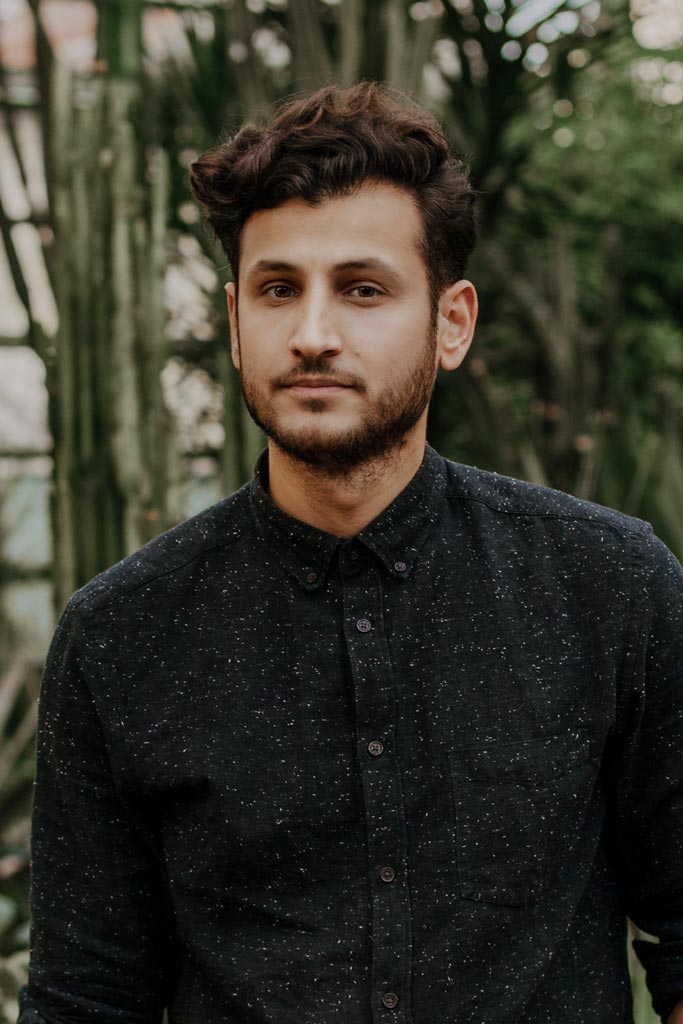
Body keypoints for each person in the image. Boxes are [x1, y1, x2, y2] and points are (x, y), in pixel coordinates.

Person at [18, 81, 683, 1024]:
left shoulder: (608, 584)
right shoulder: (120, 634)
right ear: (235, 322)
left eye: (363, 289)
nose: (312, 335)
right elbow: (86, 996)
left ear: (451, 322)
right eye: (277, 290)